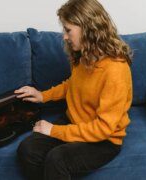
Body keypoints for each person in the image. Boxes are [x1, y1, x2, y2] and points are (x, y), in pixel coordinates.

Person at [14, 0, 133, 179]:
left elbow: (103, 129)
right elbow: (73, 85)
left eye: (68, 30)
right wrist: (42, 96)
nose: (64, 36)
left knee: (58, 159)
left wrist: (54, 131)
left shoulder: (116, 70)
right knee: (27, 149)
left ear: (88, 28)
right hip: (74, 123)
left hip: (104, 140)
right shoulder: (84, 55)